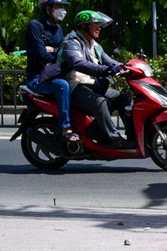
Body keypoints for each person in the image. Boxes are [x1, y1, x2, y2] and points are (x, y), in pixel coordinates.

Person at [56, 10, 132, 148]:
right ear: (84, 26)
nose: (99, 28)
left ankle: (132, 136)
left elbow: (109, 61)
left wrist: (127, 67)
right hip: (75, 86)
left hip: (92, 85)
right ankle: (116, 140)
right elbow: (78, 63)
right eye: (95, 24)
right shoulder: (71, 43)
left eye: (100, 24)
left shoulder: (95, 45)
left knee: (122, 98)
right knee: (100, 102)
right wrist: (106, 70)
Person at [23, 0, 75, 142]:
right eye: (59, 7)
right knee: (62, 86)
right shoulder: (35, 26)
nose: (63, 11)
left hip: (55, 74)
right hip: (38, 78)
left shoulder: (58, 29)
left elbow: (63, 52)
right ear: (48, 9)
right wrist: (55, 53)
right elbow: (41, 55)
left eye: (64, 8)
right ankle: (66, 128)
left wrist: (54, 51)